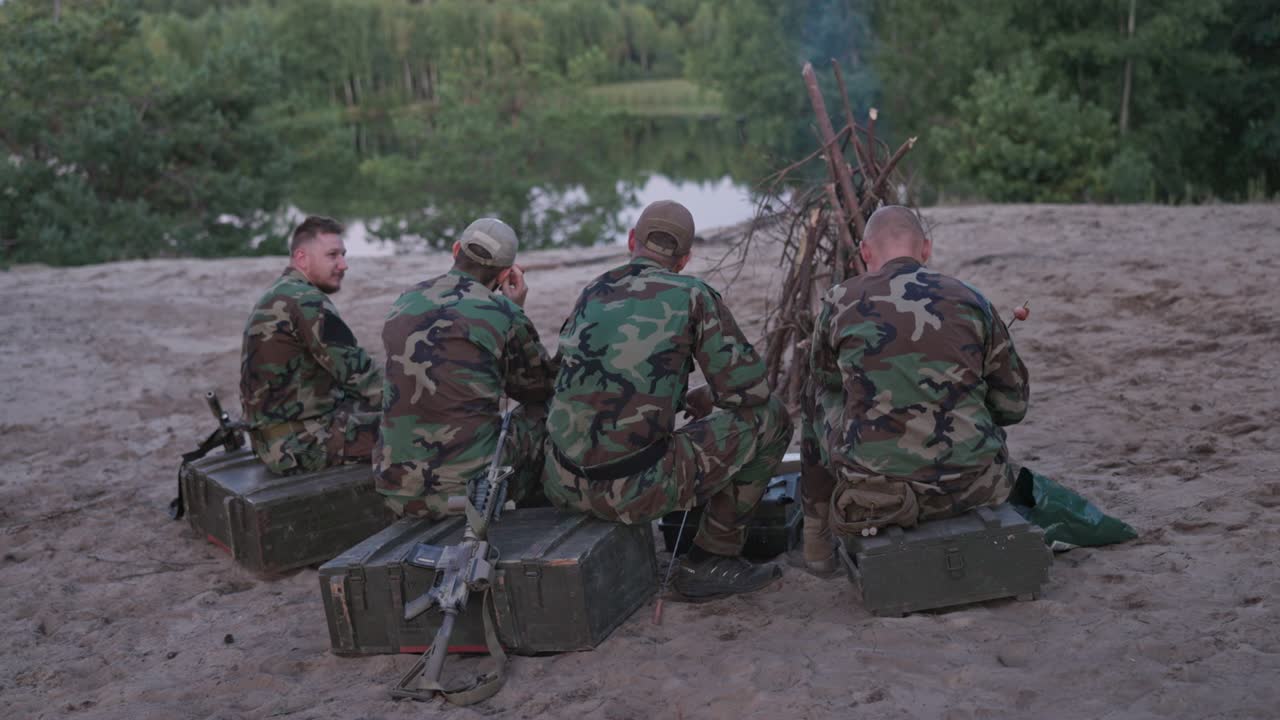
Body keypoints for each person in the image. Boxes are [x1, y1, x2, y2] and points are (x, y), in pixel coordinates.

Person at [543, 200, 794, 599]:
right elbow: (751, 391)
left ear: (632, 240)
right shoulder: (693, 295)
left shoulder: (593, 291)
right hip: (634, 490)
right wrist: (710, 394)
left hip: (561, 484)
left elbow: (569, 381)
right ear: (685, 258)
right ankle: (711, 560)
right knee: (772, 418)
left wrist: (674, 396)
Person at [797, 205, 1030, 574]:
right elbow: (1013, 407)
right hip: (977, 488)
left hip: (878, 497)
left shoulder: (840, 300)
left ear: (865, 252)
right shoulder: (971, 299)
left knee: (814, 393)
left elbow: (827, 380)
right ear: (926, 249)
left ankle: (816, 544)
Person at [375, 218, 557, 518]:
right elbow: (537, 388)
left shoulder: (405, 300)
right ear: (505, 274)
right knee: (548, 411)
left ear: (456, 249)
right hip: (470, 493)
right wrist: (516, 309)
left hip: (398, 491)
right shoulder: (504, 313)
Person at [240, 215, 383, 474]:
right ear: (302, 258)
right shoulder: (306, 300)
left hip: (272, 441)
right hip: (302, 445)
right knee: (423, 431)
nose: (343, 265)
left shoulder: (279, 293)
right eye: (332, 255)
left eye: (343, 255)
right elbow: (360, 375)